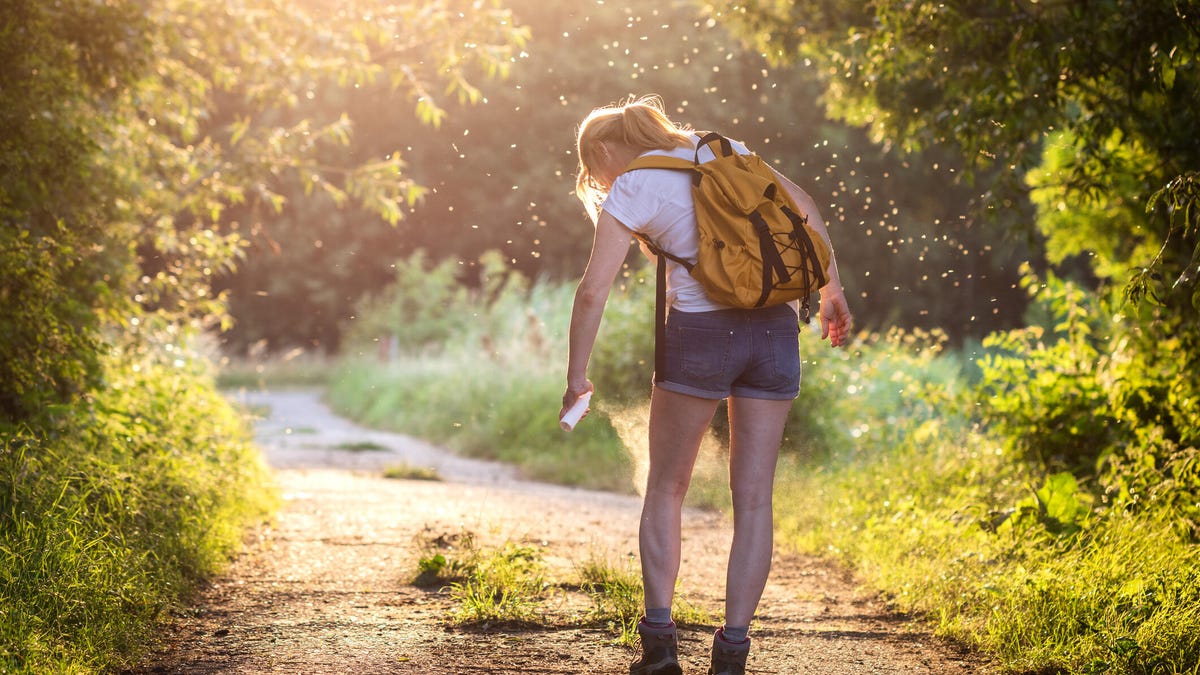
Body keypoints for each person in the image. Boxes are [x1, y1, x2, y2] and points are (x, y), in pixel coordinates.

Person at [560, 95, 852, 675]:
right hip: (774, 331)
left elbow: (594, 291)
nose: (597, 181)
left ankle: (661, 648)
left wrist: (576, 378)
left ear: (601, 151)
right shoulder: (725, 150)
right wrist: (831, 291)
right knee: (754, 499)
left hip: (699, 334)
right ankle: (733, 653)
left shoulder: (634, 185)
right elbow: (807, 206)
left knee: (667, 487)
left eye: (592, 171)